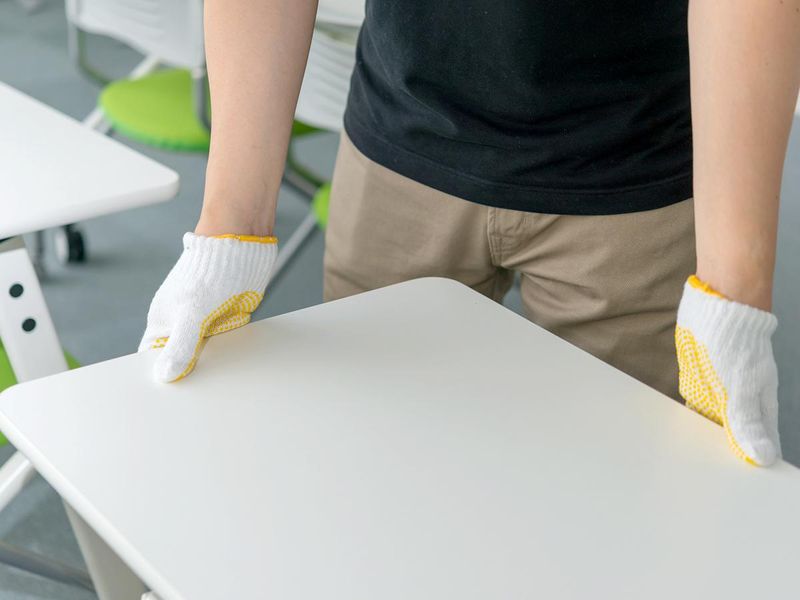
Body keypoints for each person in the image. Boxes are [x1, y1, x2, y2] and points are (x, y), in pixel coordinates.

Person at [140, 1, 800, 467]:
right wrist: (229, 230)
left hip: (633, 169)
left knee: (616, 493)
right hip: (403, 141)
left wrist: (734, 292)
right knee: (374, 471)